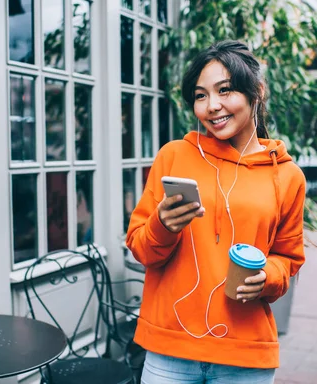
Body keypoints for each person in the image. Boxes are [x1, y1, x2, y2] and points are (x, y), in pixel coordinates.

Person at [126, 40, 306, 383]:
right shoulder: (174, 156)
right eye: (200, 95)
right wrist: (163, 225)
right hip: (170, 350)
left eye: (225, 90)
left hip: (245, 354)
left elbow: (288, 258)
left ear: (258, 91)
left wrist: (266, 276)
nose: (212, 106)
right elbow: (140, 247)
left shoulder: (287, 176)